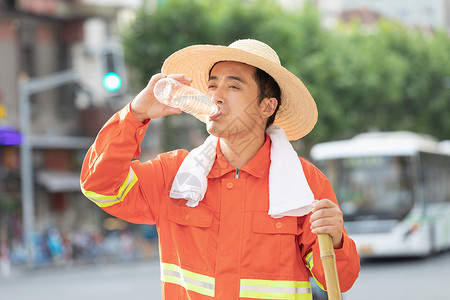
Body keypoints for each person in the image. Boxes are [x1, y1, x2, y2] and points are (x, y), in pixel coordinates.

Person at [80, 39, 360, 299]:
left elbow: (339, 281)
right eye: (213, 86)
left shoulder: (304, 184)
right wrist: (135, 114)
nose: (216, 96)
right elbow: (99, 184)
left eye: (234, 86)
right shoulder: (175, 175)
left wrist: (336, 240)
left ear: (267, 106)